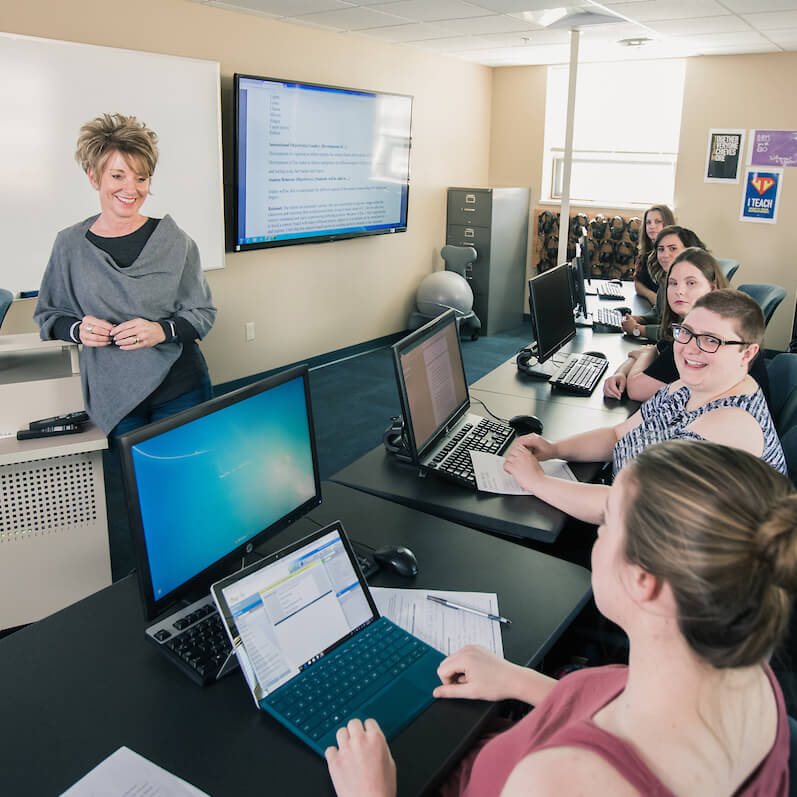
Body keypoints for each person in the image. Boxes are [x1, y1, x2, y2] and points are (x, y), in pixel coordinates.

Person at [325, 439, 794, 796]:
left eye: (606, 520)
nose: (596, 531)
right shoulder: (748, 672)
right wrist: (518, 680)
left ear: (644, 581)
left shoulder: (562, 781)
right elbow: (617, 708)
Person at [506, 289, 785, 525]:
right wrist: (554, 449)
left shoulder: (733, 423)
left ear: (747, 353)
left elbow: (632, 508)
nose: (690, 348)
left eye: (711, 340)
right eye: (686, 332)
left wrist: (537, 482)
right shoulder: (688, 387)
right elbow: (619, 435)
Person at [34, 112, 216, 438]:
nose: (131, 189)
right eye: (118, 176)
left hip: (182, 387)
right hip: (115, 393)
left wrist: (161, 331)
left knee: (189, 479)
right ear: (94, 177)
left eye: (141, 178)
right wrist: (78, 330)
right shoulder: (70, 245)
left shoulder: (175, 241)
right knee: (133, 484)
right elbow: (50, 315)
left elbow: (202, 314)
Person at [605, 247, 730, 400]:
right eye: (673, 283)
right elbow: (655, 350)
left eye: (691, 283)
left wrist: (646, 354)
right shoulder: (686, 325)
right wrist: (620, 373)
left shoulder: (703, 334)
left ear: (713, 287)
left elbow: (636, 390)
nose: (679, 291)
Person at [621, 225, 706, 342]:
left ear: (690, 250)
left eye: (672, 249)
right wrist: (640, 319)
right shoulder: (666, 277)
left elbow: (681, 331)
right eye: (661, 249)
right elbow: (659, 313)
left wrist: (637, 329)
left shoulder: (695, 286)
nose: (665, 255)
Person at [632, 205, 674, 306]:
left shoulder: (675, 254)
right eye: (648, 222)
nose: (652, 226)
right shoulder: (646, 253)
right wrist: (652, 296)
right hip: (653, 307)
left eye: (658, 222)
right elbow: (637, 283)